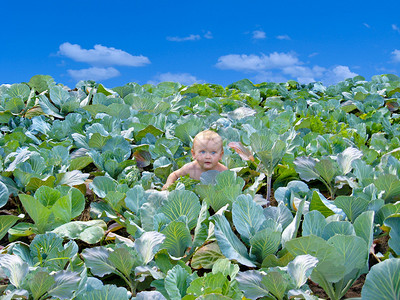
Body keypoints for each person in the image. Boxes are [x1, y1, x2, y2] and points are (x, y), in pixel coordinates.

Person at [162, 130, 228, 190]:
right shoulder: (190, 168)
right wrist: (168, 184)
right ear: (193, 154)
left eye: (213, 152)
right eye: (203, 152)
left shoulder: (223, 171)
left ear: (220, 155)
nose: (208, 157)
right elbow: (174, 175)